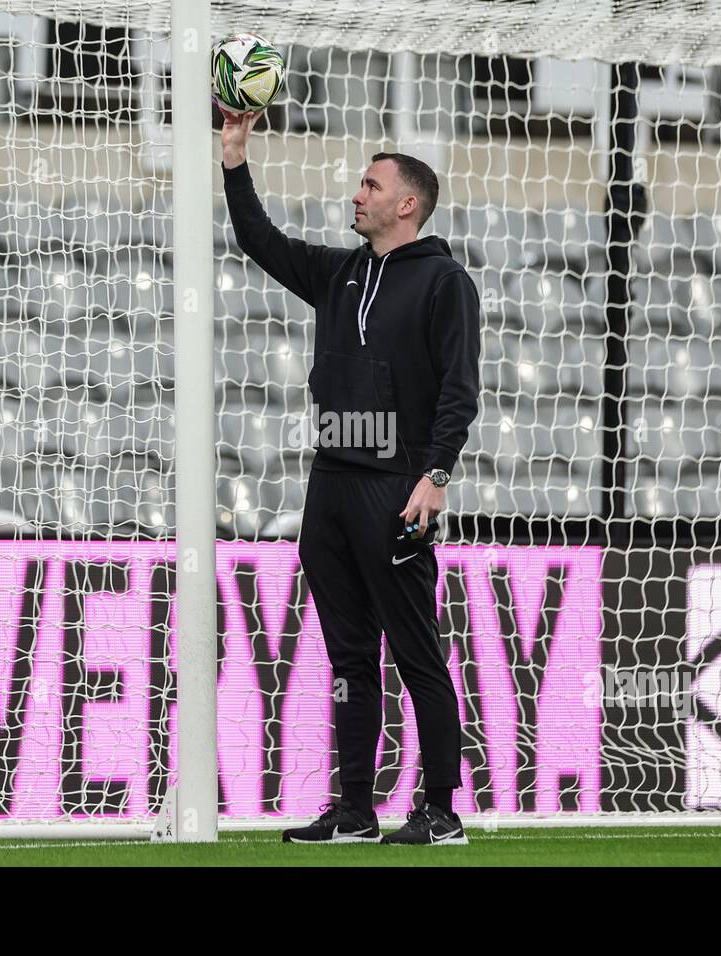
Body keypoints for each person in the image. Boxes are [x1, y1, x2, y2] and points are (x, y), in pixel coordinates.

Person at [219, 107, 481, 845]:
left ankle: (440, 810)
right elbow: (258, 241)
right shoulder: (340, 273)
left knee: (416, 650)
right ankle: (356, 810)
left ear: (407, 203)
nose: (356, 194)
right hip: (330, 481)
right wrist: (235, 159)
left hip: (395, 484)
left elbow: (461, 389)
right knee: (348, 655)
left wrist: (436, 474)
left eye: (370, 184)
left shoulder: (445, 283)